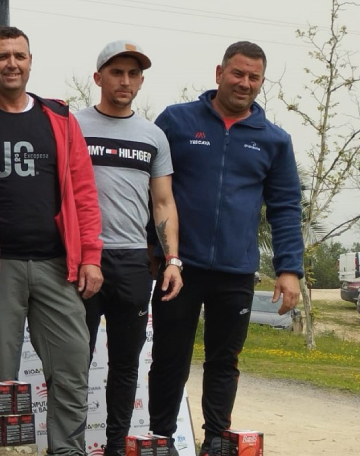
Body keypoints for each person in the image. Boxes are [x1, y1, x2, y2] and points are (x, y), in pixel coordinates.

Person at [0, 26, 103, 456]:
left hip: (56, 266)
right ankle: (0, 451)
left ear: (30, 61)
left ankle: (66, 450)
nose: (12, 63)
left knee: (71, 367)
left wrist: (90, 257)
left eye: (20, 55)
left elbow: (83, 193)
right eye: (2, 56)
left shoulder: (60, 120)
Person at [147, 41, 303, 456]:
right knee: (169, 357)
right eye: (238, 73)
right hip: (179, 268)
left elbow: (286, 207)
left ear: (261, 82)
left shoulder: (274, 140)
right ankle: (160, 439)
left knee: (224, 360)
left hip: (236, 271)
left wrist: (290, 269)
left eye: (254, 77)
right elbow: (153, 190)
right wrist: (154, 250)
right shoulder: (176, 122)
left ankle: (216, 440)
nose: (244, 83)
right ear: (219, 73)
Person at [73, 41, 183, 456]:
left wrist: (172, 258)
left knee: (124, 365)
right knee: (74, 363)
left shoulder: (153, 135)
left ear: (140, 81)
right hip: (83, 259)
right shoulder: (71, 125)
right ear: (98, 77)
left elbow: (163, 202)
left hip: (134, 262)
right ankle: (70, 446)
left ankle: (117, 446)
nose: (125, 80)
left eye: (133, 74)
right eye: (116, 72)